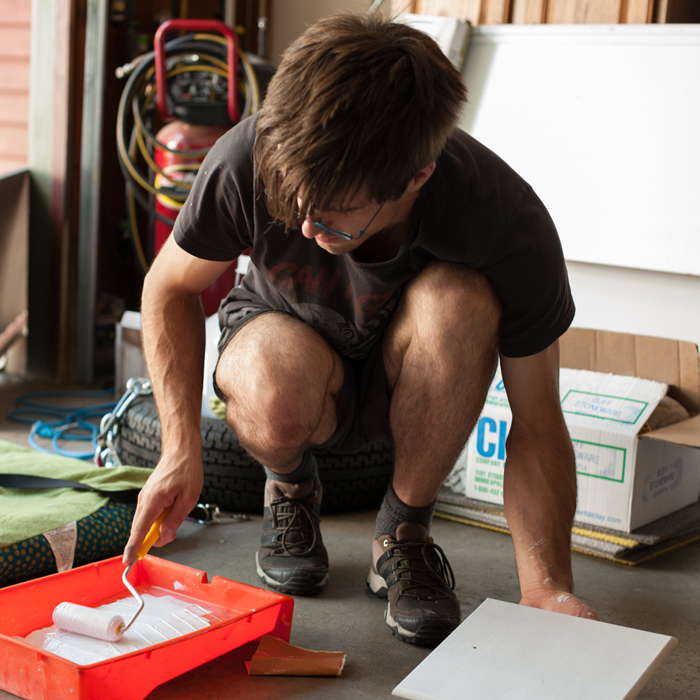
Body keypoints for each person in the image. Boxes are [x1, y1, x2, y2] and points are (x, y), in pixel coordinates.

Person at [123, 12, 598, 646]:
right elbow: (169, 286)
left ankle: (402, 531)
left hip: (416, 380)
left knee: (460, 299)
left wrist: (547, 587)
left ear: (417, 177)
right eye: (296, 206)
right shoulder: (250, 155)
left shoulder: (503, 221)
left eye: (334, 220)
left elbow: (538, 423)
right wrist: (179, 450)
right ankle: (290, 488)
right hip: (290, 353)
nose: (310, 228)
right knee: (268, 376)